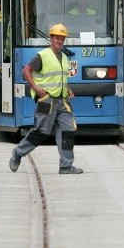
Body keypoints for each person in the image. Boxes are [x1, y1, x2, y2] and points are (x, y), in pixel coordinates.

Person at [9, 23, 83, 175]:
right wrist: (35, 88)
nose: (60, 41)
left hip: (62, 101)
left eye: (62, 39)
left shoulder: (63, 56)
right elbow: (26, 70)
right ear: (51, 38)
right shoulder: (42, 55)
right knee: (41, 132)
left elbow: (60, 76)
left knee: (67, 131)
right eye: (57, 38)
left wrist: (67, 89)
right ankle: (18, 153)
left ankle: (66, 166)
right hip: (47, 101)